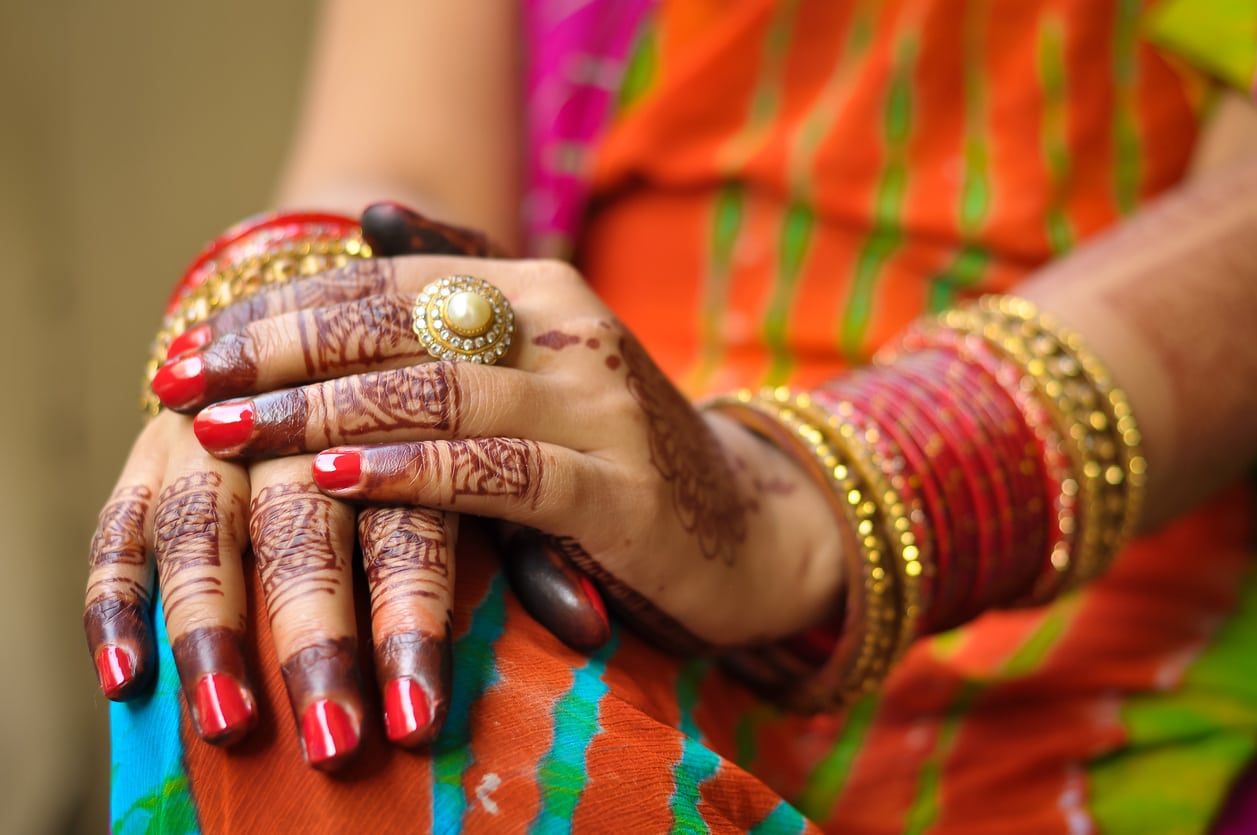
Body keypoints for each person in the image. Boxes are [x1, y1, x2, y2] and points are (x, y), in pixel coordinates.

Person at [87, 1, 1257, 832]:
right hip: (581, 494)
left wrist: (801, 501)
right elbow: (398, 168)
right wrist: (283, 350)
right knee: (296, 617)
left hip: (1091, 621)